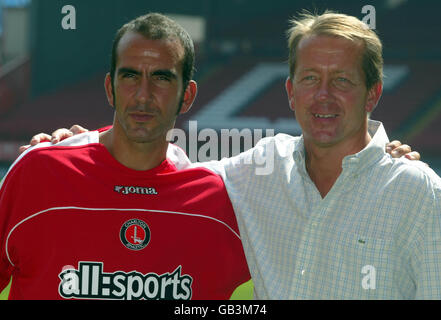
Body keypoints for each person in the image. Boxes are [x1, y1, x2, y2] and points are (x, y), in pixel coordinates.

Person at [20, 12, 434, 299]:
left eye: (341, 80)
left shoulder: (419, 194)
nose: (323, 95)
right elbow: (163, 171)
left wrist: (398, 167)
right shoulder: (255, 171)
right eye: (310, 78)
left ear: (373, 94)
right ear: (290, 92)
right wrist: (76, 143)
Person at [0, 13, 251, 300]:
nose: (143, 95)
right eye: (130, 76)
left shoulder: (216, 202)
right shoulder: (38, 172)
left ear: (187, 95)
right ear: (110, 88)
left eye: (161, 77)